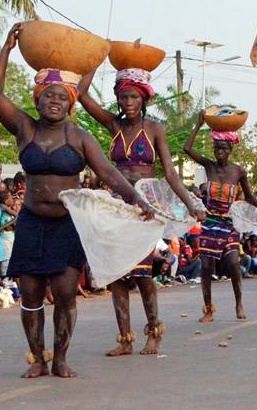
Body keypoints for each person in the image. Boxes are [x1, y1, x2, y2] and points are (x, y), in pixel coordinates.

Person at [0, 23, 153, 378]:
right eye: (49, 95)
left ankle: (60, 358)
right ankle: (39, 360)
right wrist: (7, 48)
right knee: (30, 295)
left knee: (64, 294)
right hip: (31, 222)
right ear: (39, 99)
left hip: (66, 224)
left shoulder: (80, 138)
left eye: (63, 96)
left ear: (71, 104)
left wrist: (140, 201)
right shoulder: (24, 128)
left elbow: (109, 174)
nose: (56, 101)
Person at [78, 65, 204, 355]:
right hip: (119, 207)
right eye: (123, 98)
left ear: (144, 99)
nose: (128, 103)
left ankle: (154, 330)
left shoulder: (155, 130)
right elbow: (81, 94)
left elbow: (171, 174)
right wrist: (94, 61)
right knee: (118, 275)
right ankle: (125, 339)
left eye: (134, 97)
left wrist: (191, 204)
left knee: (143, 274)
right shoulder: (114, 126)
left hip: (145, 208)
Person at [184, 112, 257, 323]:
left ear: (230, 150)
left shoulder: (238, 172)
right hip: (210, 222)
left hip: (229, 222)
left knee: (233, 263)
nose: (219, 152)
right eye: (217, 148)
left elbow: (249, 197)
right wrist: (198, 125)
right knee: (205, 267)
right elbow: (187, 149)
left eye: (223, 149)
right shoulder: (209, 166)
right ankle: (208, 309)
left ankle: (238, 302)